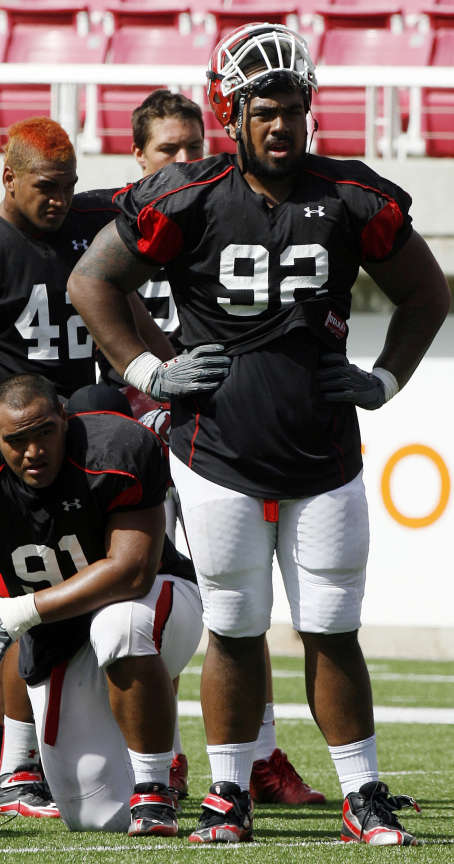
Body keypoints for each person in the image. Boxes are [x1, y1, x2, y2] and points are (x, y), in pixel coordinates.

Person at [67, 20, 450, 846]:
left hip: (325, 450)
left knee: (332, 626)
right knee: (236, 628)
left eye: (295, 108)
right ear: (231, 113)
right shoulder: (188, 194)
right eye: (266, 109)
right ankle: (228, 794)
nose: (283, 124)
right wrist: (146, 373)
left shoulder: (351, 193)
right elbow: (92, 279)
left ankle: (364, 794)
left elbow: (426, 294)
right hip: (217, 451)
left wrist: (384, 377)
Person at [125, 88, 325, 807]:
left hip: (212, 430)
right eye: (166, 151)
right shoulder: (118, 220)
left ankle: (259, 753)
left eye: (191, 148)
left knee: (235, 601)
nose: (182, 161)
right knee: (149, 597)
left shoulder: (210, 205)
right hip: (135, 429)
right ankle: (163, 757)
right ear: (136, 156)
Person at [0, 115, 175, 819]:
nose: (61, 201)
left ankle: (169, 755)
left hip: (92, 443)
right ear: (7, 176)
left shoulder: (95, 217)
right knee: (23, 602)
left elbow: (127, 297)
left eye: (71, 187)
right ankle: (16, 766)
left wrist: (169, 378)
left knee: (132, 593)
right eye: (47, 187)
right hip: (20, 451)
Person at [0, 372, 203, 834]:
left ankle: (154, 788)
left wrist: (19, 611)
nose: (33, 451)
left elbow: (131, 572)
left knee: (119, 625)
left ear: (65, 419)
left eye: (44, 432)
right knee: (95, 817)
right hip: (60, 638)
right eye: (16, 440)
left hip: (153, 602)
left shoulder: (114, 449)